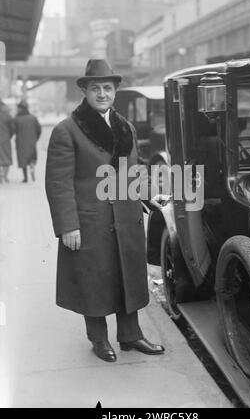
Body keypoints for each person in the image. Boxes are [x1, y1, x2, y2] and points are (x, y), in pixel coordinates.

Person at [45, 59, 165, 363]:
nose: (102, 93)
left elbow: (133, 169)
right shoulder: (66, 130)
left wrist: (148, 194)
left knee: (128, 275)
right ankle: (98, 339)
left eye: (107, 88)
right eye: (95, 88)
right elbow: (59, 183)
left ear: (115, 92)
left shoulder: (125, 127)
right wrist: (68, 225)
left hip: (125, 217)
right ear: (85, 91)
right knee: (93, 280)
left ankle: (130, 336)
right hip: (89, 221)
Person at [15, 100, 42, 183]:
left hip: (21, 142)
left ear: (20, 108)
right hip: (32, 141)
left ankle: (25, 178)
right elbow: (39, 129)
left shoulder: (17, 119)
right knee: (31, 157)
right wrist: (36, 138)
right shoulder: (33, 118)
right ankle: (32, 166)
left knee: (23, 160)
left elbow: (13, 130)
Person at [0, 100, 14, 183]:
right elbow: (12, 128)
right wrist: (9, 136)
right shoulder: (7, 116)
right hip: (5, 139)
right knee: (6, 159)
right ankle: (4, 176)